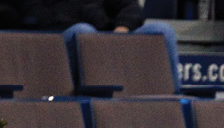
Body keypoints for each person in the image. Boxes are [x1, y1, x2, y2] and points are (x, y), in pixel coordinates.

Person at [20, 0, 182, 92]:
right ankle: (93, 99)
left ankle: (173, 99)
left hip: (108, 37)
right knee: (83, 32)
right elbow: (35, 17)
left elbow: (130, 7)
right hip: (61, 38)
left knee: (162, 31)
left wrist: (122, 28)